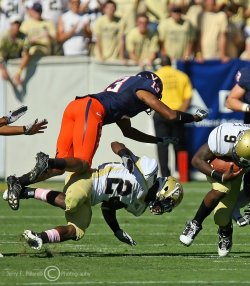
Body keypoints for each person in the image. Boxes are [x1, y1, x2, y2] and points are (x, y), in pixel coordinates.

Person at [6, 70, 208, 211]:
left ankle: (18, 182)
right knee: (82, 164)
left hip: (76, 107)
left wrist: (158, 139)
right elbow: (170, 115)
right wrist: (194, 117)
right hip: (92, 110)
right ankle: (47, 161)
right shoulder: (143, 87)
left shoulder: (125, 94)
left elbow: (128, 132)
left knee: (62, 167)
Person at [4, 141, 183, 250]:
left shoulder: (140, 207)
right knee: (71, 202)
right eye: (167, 203)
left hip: (90, 198)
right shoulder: (149, 171)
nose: (163, 207)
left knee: (78, 230)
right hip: (89, 178)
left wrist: (117, 231)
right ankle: (27, 191)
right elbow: (115, 144)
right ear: (165, 189)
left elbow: (107, 207)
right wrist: (125, 155)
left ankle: (39, 237)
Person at [179, 122, 250, 257]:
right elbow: (197, 160)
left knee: (221, 217)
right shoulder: (222, 137)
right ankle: (195, 224)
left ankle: (225, 231)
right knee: (221, 189)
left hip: (239, 171)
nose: (241, 161)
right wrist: (220, 176)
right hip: (220, 165)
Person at [154, 55, 193, 177]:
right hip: (176, 113)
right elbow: (188, 97)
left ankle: (165, 175)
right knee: (180, 145)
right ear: (171, 63)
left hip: (161, 113)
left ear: (160, 64)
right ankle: (183, 175)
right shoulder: (181, 75)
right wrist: (180, 112)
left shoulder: (155, 76)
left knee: (162, 146)